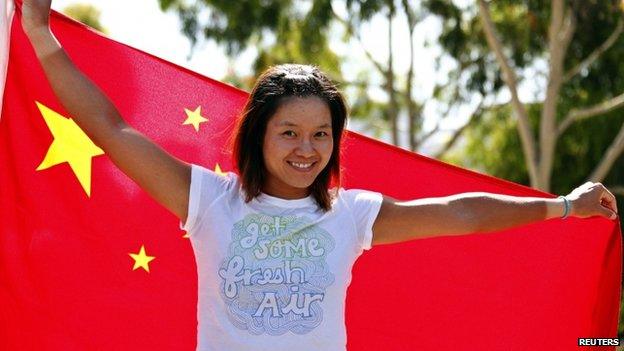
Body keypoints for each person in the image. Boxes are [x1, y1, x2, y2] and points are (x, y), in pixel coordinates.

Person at [20, 0, 619, 350]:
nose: (307, 149)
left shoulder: (352, 215)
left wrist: (564, 206)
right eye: (289, 133)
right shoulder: (205, 198)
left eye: (321, 134)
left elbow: (460, 212)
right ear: (258, 134)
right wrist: (40, 35)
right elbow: (111, 129)